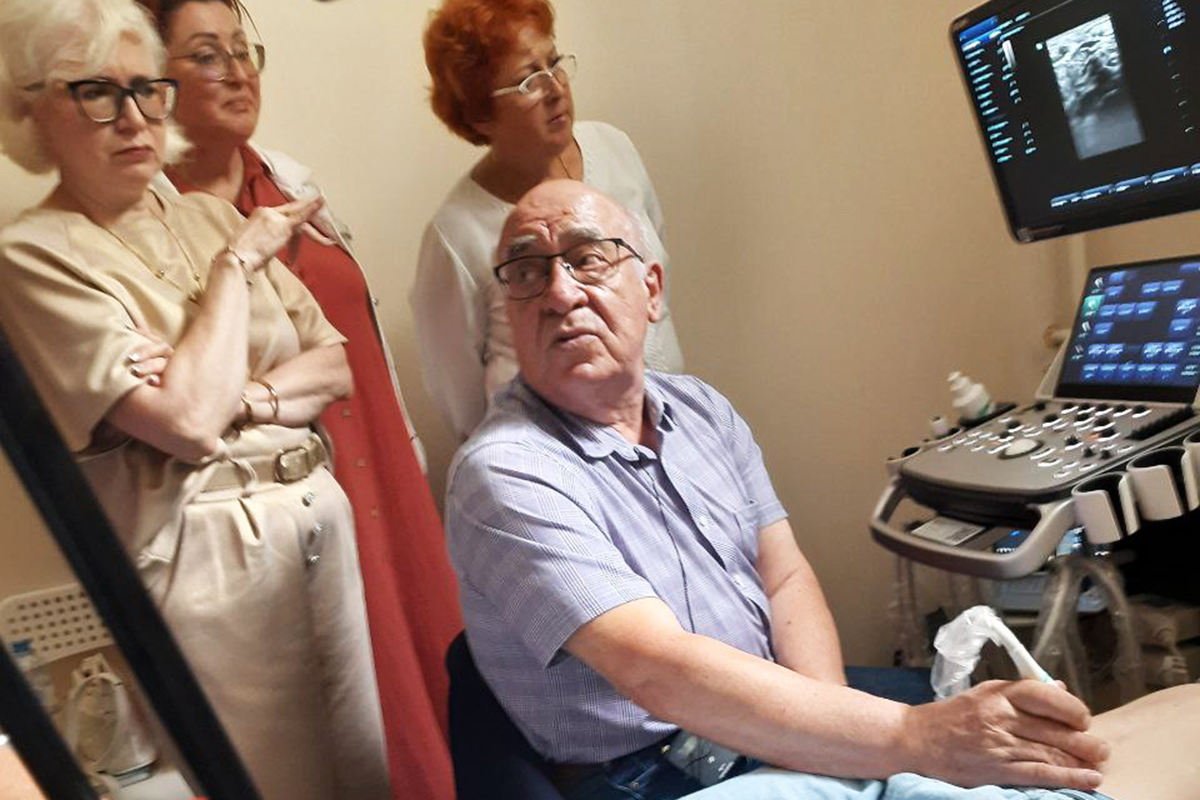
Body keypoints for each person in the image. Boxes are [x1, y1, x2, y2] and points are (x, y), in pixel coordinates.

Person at [443, 179, 1200, 800]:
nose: (559, 292)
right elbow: (656, 670)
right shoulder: (505, 472)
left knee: (1085, 743)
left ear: (652, 290)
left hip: (773, 718)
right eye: (527, 272)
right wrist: (909, 740)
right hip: (652, 772)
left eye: (587, 258)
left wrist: (837, 739)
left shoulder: (702, 410)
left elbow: (784, 576)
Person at [0, 1, 389, 799]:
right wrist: (235, 272)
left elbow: (334, 366)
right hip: (206, 548)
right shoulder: (30, 256)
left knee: (365, 776)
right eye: (96, 92)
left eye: (147, 87)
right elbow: (185, 424)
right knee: (267, 785)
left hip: (317, 511)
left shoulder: (210, 215)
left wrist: (227, 392)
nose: (133, 117)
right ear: (31, 109)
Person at [144, 3, 461, 797]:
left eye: (243, 50)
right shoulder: (150, 223)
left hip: (384, 469)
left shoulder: (289, 183)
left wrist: (409, 451)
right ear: (154, 80)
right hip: (295, 504)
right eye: (206, 55)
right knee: (352, 724)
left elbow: (361, 343)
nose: (237, 72)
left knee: (447, 679)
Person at [414, 0, 685, 441]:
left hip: (667, 424)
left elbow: (656, 284)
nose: (556, 87)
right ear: (481, 114)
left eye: (554, 62)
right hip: (555, 459)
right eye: (529, 80)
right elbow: (461, 401)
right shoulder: (457, 234)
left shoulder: (614, 148)